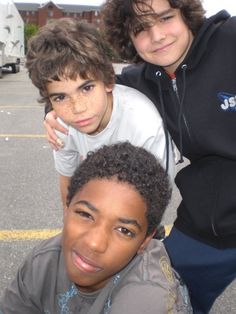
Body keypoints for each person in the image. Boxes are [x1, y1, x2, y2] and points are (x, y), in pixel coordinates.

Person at [44, 1, 236, 313]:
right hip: (205, 226)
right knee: (167, 300)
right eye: (140, 29)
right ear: (128, 38)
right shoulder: (142, 81)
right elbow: (80, 83)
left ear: (186, 15)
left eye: (165, 18)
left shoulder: (230, 40)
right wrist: (52, 111)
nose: (157, 35)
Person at [0, 142, 191, 313]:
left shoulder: (147, 300)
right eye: (85, 214)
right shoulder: (43, 261)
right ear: (67, 208)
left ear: (144, 241)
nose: (94, 243)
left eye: (124, 230)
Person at [26, 17, 174, 209]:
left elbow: (154, 201)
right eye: (60, 97)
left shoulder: (144, 126)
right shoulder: (60, 124)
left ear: (109, 81)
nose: (78, 108)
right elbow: (68, 182)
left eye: (86, 88)